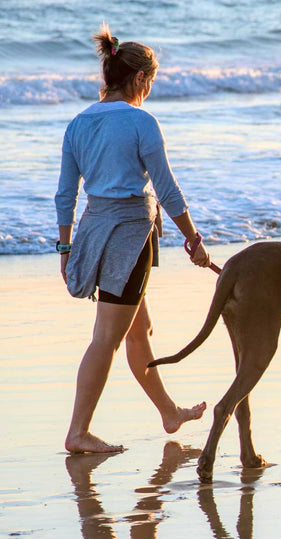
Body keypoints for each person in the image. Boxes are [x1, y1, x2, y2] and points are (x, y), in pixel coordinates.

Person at [56, 24, 210, 454]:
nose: (151, 90)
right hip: (129, 236)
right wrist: (194, 240)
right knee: (107, 337)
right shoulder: (141, 121)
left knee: (138, 330)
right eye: (152, 82)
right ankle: (78, 432)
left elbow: (66, 194)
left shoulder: (78, 123)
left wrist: (66, 247)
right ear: (140, 79)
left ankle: (169, 413)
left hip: (92, 231)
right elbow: (168, 189)